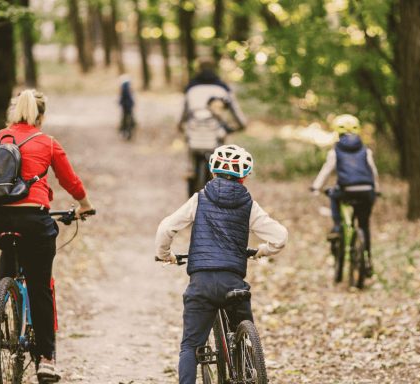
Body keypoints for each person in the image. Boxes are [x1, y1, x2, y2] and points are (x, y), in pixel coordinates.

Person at [0, 90, 95, 381]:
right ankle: (46, 359)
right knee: (39, 286)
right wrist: (84, 205)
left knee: (10, 243)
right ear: (41, 117)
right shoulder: (47, 142)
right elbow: (70, 180)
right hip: (33, 220)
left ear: (12, 113)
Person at [155, 144, 288, 384]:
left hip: (202, 284)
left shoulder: (200, 199)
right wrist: (261, 251)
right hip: (232, 283)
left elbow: (166, 228)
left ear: (212, 172)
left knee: (190, 346)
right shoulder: (250, 205)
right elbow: (280, 237)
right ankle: (246, 365)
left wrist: (165, 254)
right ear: (245, 176)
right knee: (242, 335)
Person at [310, 114, 379, 274]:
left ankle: (337, 227)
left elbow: (326, 171)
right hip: (367, 190)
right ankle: (367, 259)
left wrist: (316, 187)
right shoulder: (365, 150)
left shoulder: (336, 151)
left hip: (347, 190)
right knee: (363, 225)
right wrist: (376, 189)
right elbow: (373, 172)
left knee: (333, 194)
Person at [178, 59, 248, 191]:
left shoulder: (190, 88)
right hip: (215, 134)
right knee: (221, 154)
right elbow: (235, 110)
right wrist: (241, 125)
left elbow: (183, 112)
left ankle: (190, 171)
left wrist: (180, 125)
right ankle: (221, 179)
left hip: (194, 132)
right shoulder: (223, 88)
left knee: (191, 147)